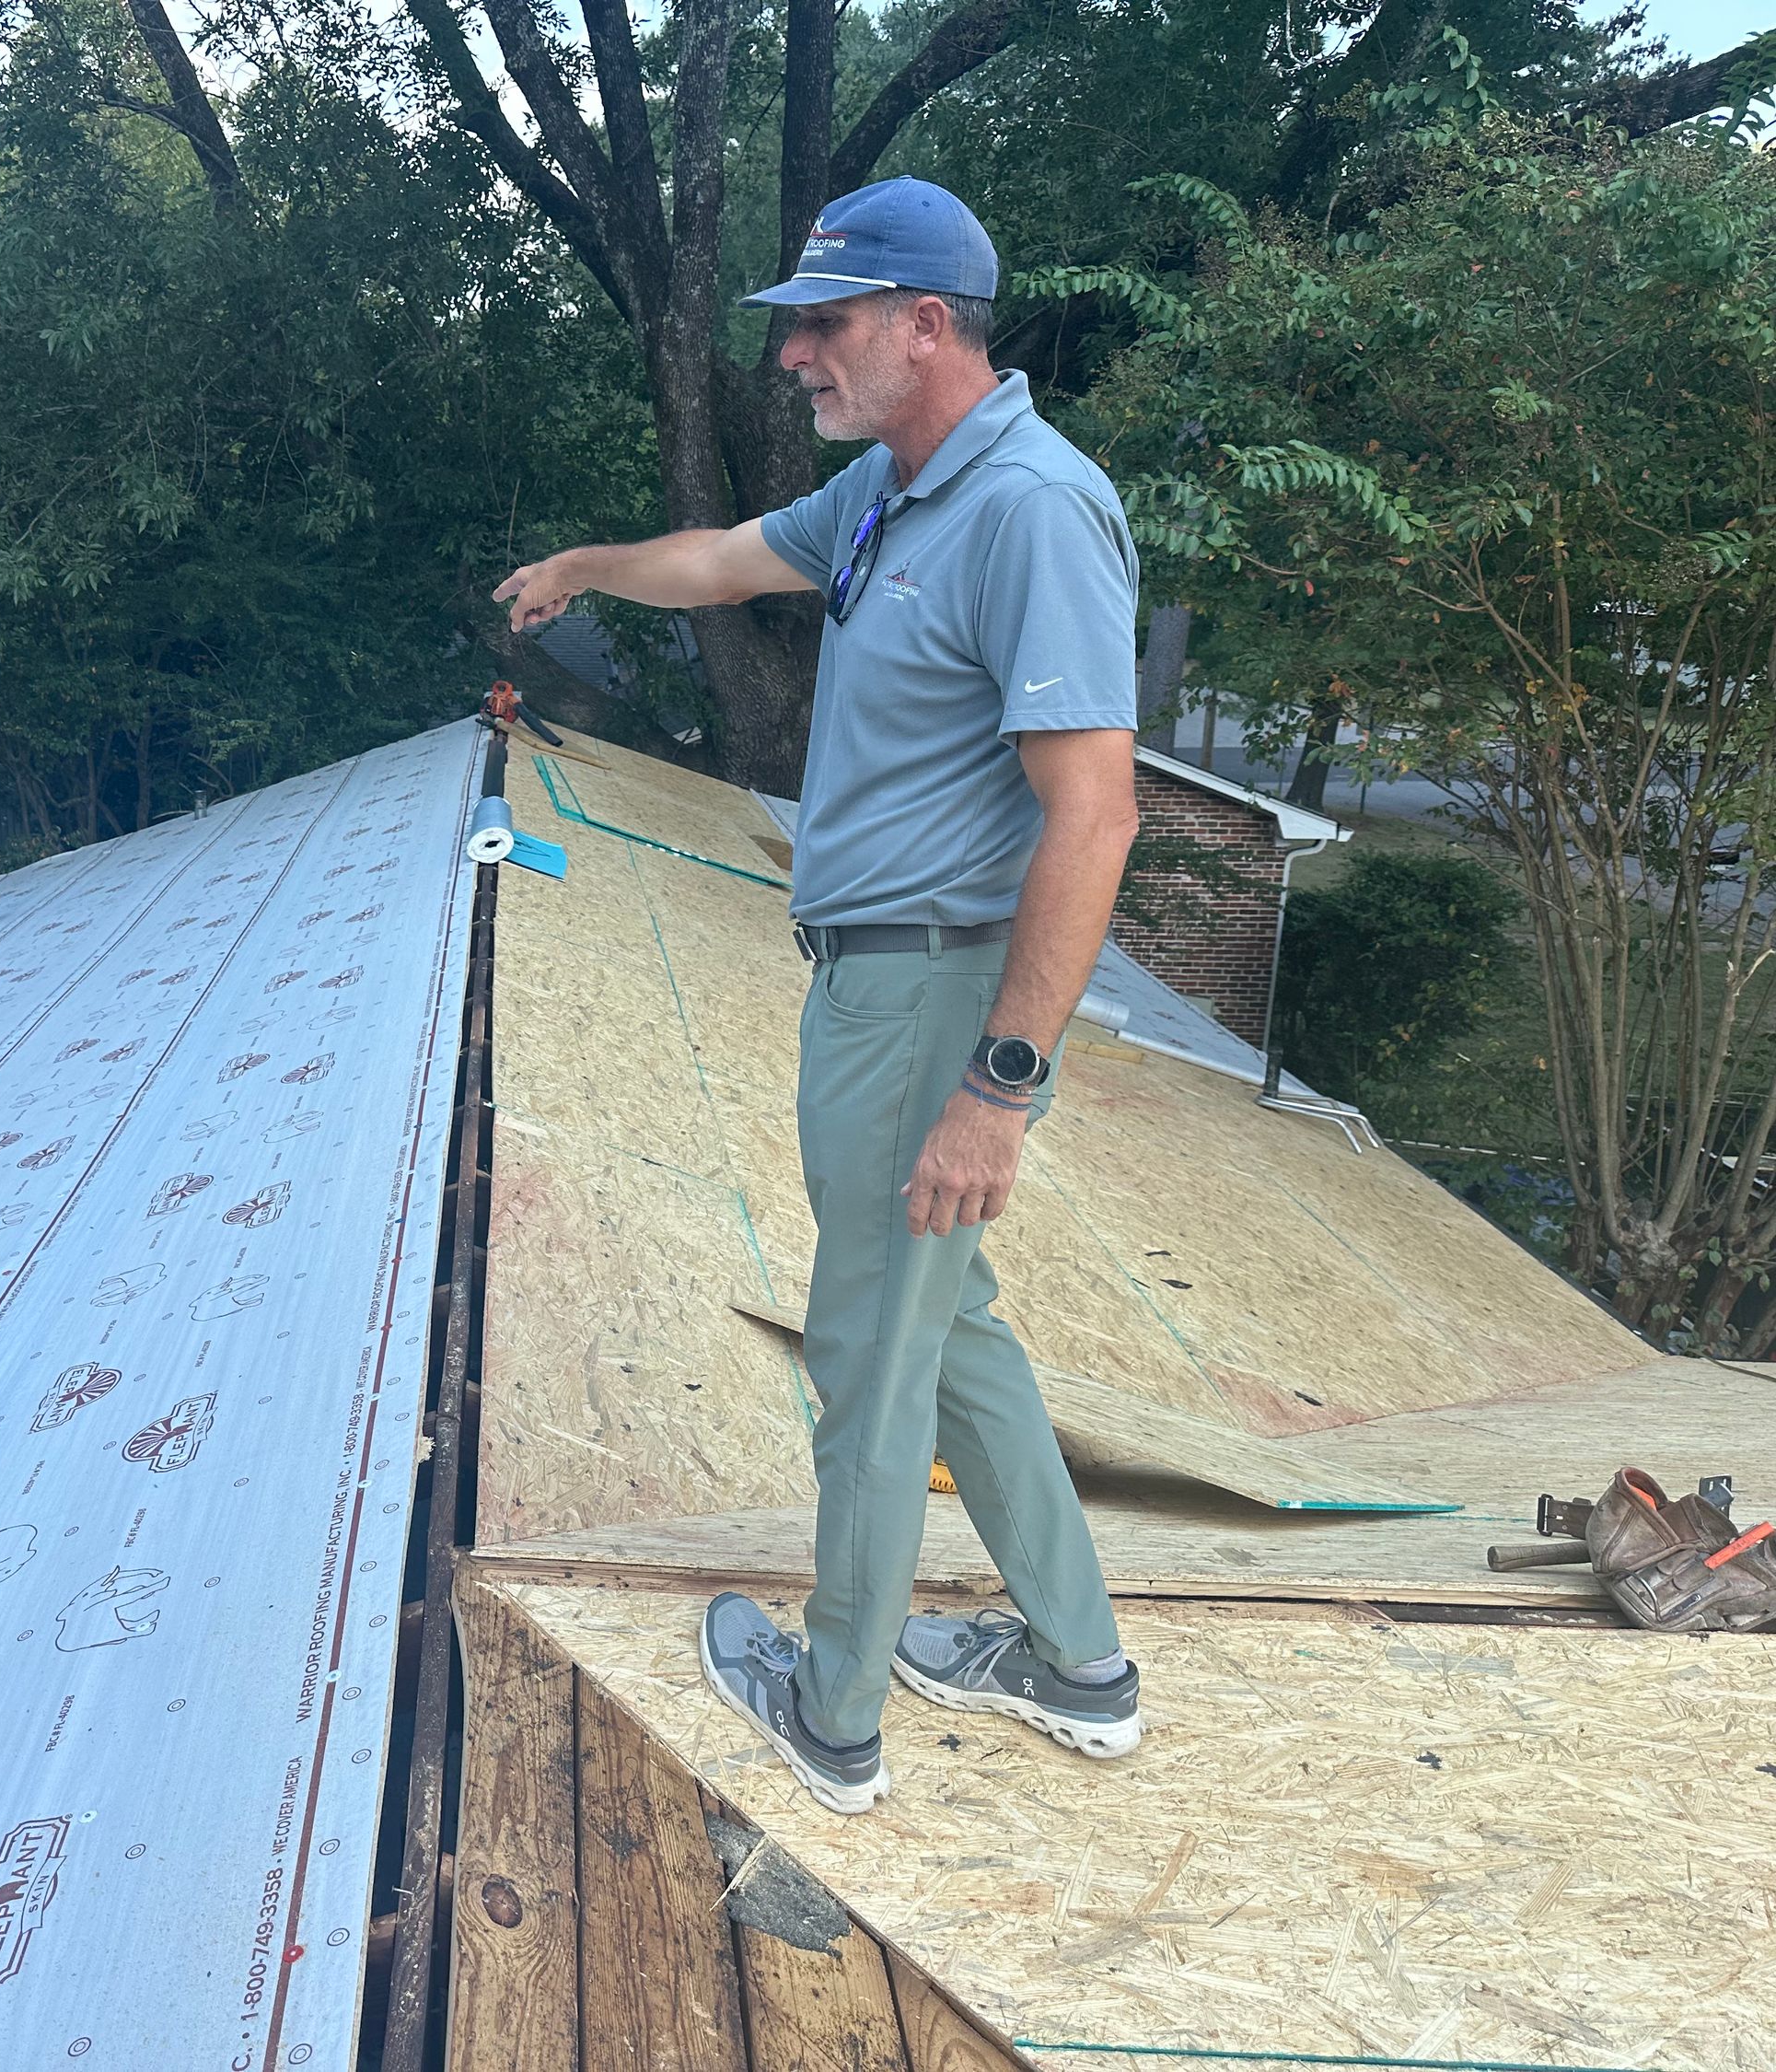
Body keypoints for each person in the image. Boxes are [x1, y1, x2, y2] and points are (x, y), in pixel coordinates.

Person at [493, 177, 1143, 1813]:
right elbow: (717, 562)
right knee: (951, 1322)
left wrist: (999, 1085)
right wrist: (584, 560)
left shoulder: (1030, 511)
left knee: (869, 1346)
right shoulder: (885, 494)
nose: (795, 352)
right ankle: (1081, 1663)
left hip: (934, 1001)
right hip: (873, 984)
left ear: (929, 326)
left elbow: (1097, 809)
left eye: (827, 322)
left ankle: (833, 1710)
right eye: (793, 324)